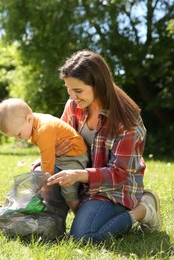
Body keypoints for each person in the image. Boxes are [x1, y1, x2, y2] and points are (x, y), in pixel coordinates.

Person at [33, 50, 161, 243]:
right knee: (40, 171)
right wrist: (52, 153)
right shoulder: (74, 105)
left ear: (99, 85)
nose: (72, 96)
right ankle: (50, 225)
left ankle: (143, 210)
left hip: (114, 188)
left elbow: (120, 173)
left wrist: (78, 175)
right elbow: (59, 139)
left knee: (83, 237)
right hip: (79, 175)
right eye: (68, 89)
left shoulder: (127, 122)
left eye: (78, 91)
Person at [0, 98, 89, 213]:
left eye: (18, 134)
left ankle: (78, 215)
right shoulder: (32, 122)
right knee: (38, 177)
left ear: (28, 119)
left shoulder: (43, 130)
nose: (18, 138)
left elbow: (48, 161)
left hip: (74, 156)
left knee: (68, 190)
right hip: (63, 156)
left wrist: (45, 186)